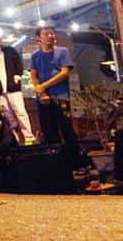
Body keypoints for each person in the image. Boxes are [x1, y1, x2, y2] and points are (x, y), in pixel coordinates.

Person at [30, 26, 84, 168]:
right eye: (46, 33)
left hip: (61, 97)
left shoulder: (62, 51)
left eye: (51, 33)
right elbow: (33, 75)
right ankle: (59, 165)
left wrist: (44, 86)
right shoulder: (35, 55)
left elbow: (64, 72)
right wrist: (41, 92)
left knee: (67, 130)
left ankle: (78, 164)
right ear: (39, 38)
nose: (50, 35)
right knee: (49, 131)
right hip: (43, 98)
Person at [0, 33, 35, 144]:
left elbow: (18, 64)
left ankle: (29, 138)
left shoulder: (9, 51)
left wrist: (17, 76)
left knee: (20, 112)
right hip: (0, 90)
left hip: (13, 88)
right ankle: (14, 140)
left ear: (0, 40)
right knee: (7, 116)